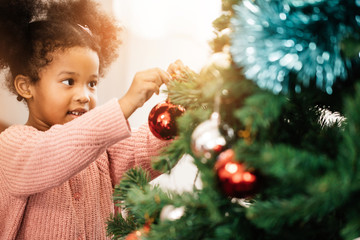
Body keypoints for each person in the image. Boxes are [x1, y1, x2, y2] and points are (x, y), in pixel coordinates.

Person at [0, 0, 185, 239]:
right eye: (69, 81)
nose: (84, 96)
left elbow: (143, 153)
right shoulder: (13, 146)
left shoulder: (99, 153)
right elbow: (56, 150)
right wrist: (126, 104)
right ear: (26, 86)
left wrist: (178, 110)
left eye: (92, 83)